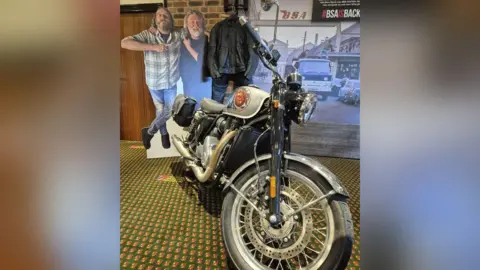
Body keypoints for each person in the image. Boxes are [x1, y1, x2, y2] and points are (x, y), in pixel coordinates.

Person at [121, 7, 183, 150]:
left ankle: (149, 131)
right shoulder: (147, 35)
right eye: (159, 15)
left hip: (171, 81)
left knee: (168, 111)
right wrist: (153, 47)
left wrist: (206, 32)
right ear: (155, 20)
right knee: (161, 109)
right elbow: (124, 43)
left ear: (171, 19)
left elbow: (193, 32)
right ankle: (164, 134)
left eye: (165, 15)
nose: (162, 17)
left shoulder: (178, 34)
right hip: (154, 82)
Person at [179, 10, 211, 110]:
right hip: (188, 85)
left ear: (202, 24)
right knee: (190, 114)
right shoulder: (182, 39)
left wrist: (188, 46)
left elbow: (201, 59)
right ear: (186, 25)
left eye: (198, 22)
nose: (195, 25)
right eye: (192, 22)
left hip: (205, 85)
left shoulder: (208, 39)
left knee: (205, 114)